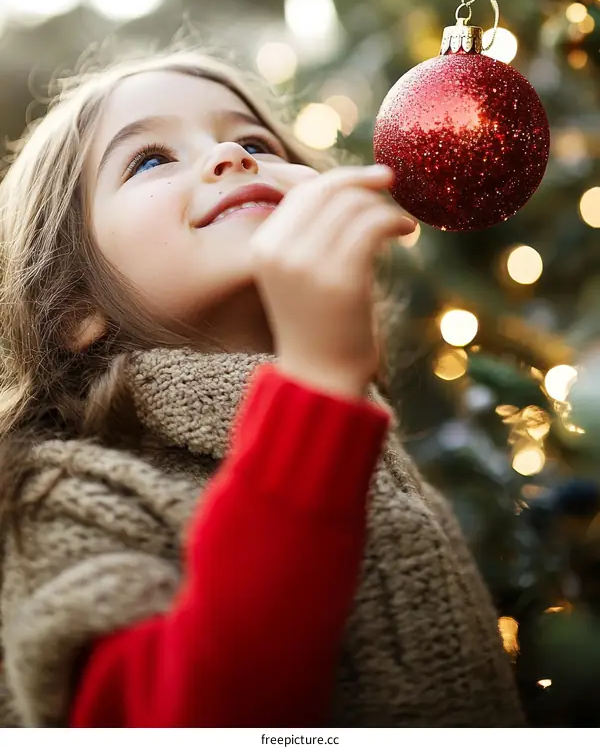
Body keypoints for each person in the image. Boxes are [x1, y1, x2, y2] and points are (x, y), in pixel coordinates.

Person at [0, 47, 524, 728]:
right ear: (72, 306)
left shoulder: (365, 435)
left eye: (254, 140)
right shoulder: (58, 493)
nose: (230, 155)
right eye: (150, 159)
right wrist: (313, 388)